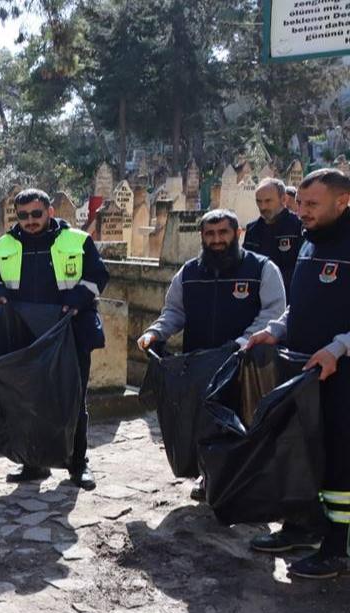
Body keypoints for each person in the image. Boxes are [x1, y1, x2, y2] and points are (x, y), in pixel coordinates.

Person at [137, 209, 286, 500]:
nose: (217, 240)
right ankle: (209, 478)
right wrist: (154, 333)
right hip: (202, 364)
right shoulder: (189, 273)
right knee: (204, 423)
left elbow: (273, 313)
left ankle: (245, 483)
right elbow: (174, 312)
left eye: (223, 233)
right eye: (210, 234)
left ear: (237, 233)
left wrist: (241, 344)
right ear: (202, 237)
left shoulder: (263, 269)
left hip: (247, 363)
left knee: (245, 423)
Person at [247, 168, 350, 579]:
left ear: (342, 202)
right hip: (304, 367)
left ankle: (337, 547)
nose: (300, 211)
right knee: (302, 451)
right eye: (300, 203)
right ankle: (301, 526)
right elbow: (300, 306)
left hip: (341, 371)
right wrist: (274, 331)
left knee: (340, 460)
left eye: (312, 204)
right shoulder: (309, 243)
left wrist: (339, 347)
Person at [0, 187, 110, 490]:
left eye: (36, 214)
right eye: (23, 215)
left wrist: (78, 299)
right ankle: (33, 463)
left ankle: (78, 465)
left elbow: (97, 276)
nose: (30, 220)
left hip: (70, 332)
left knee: (72, 400)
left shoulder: (77, 241)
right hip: (25, 335)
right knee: (28, 401)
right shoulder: (4, 244)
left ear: (50, 212)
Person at [244, 177, 305, 292]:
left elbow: (303, 268)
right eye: (259, 201)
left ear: (283, 199)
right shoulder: (252, 230)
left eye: (268, 201)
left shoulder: (298, 227)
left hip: (289, 294)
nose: (263, 207)